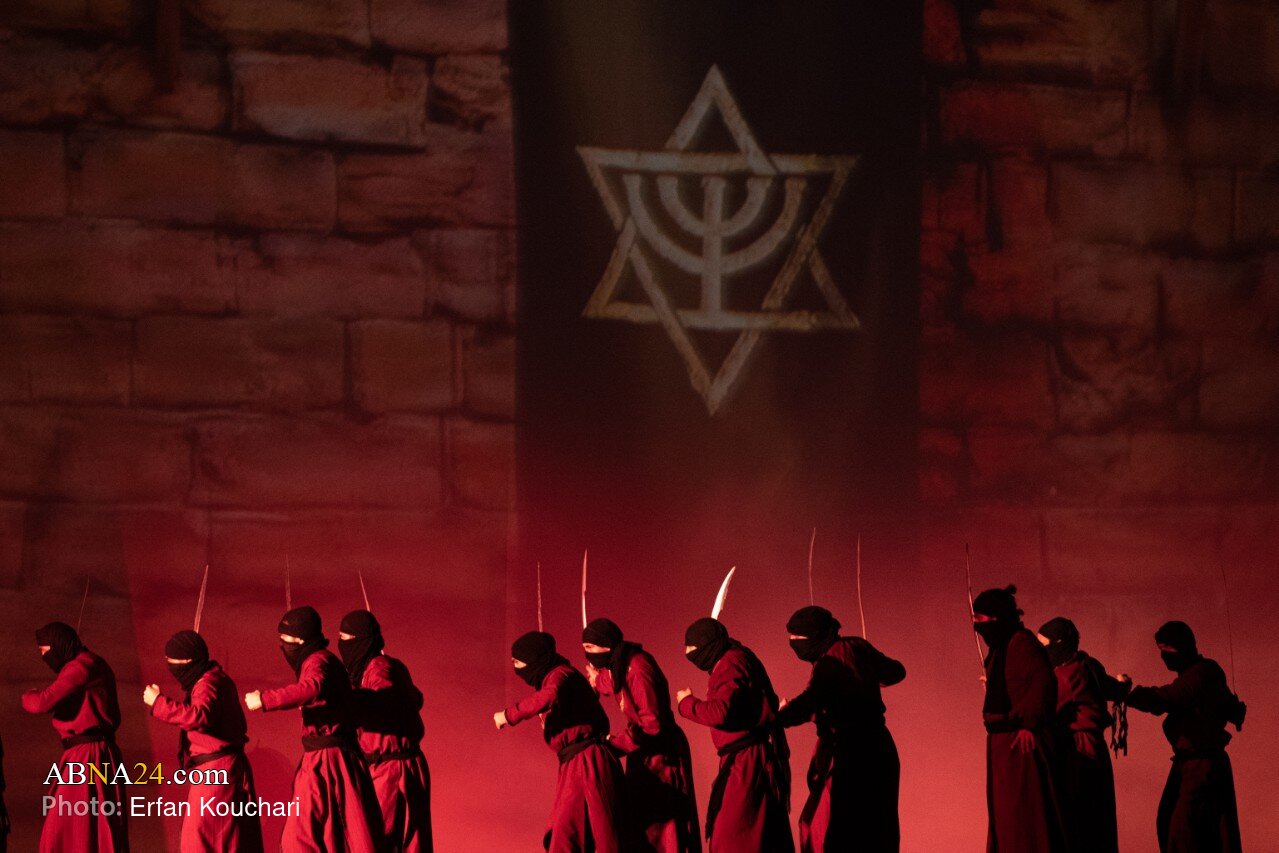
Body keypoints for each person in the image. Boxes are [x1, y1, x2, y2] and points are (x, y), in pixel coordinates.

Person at [244, 606, 381, 852]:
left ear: (300, 640)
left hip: (328, 760)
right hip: (327, 757)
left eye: (286, 639)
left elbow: (313, 687)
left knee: (305, 834)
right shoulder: (322, 660)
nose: (283, 645)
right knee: (330, 832)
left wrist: (265, 700)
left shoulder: (318, 661)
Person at [776, 606, 905, 853]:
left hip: (853, 753)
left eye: (797, 637)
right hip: (879, 748)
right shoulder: (855, 647)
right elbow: (895, 672)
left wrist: (777, 718)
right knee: (877, 829)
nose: (792, 642)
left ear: (815, 636)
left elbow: (812, 700)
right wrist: (865, 667)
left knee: (845, 831)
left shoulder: (832, 659)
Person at [494, 631, 623, 852]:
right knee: (570, 834)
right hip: (575, 764)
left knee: (584, 834)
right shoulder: (558, 677)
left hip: (586, 762)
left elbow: (549, 695)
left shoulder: (560, 675)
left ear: (533, 658)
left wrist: (508, 715)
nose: (515, 668)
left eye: (517, 661)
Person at [1126, 620, 1245, 853]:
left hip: (1201, 767)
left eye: (1168, 649)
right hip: (1194, 765)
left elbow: (1168, 698)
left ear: (1183, 646)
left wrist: (1128, 694)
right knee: (1175, 825)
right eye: (1161, 650)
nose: (1164, 656)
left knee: (1181, 831)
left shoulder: (1201, 674)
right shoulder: (1200, 673)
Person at [582, 617, 700, 851]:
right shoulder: (619, 664)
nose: (587, 654)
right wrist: (597, 680)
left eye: (590, 647)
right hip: (643, 752)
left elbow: (652, 724)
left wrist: (614, 744)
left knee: (664, 830)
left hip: (661, 754)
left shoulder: (638, 667)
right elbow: (612, 681)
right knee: (641, 827)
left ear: (606, 645)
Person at [676, 618, 792, 853]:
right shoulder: (735, 658)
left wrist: (686, 703)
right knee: (755, 835)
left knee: (733, 838)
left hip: (747, 762)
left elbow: (721, 711)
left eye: (693, 649)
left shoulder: (731, 663)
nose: (689, 655)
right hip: (747, 759)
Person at [143, 630, 264, 852]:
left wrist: (158, 702)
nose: (170, 667)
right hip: (217, 770)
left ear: (187, 661)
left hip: (217, 772)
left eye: (173, 661)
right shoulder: (212, 679)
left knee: (203, 841)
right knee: (216, 840)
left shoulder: (208, 683)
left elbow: (199, 716)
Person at [21, 621, 130, 852]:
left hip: (88, 758)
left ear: (59, 644)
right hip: (91, 756)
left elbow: (40, 703)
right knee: (85, 827)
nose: (44, 657)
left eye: (45, 650)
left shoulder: (81, 666)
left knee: (70, 828)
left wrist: (27, 695)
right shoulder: (92, 663)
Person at [972, 586, 1065, 853]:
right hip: (1002, 743)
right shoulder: (1001, 648)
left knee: (1023, 814)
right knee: (1006, 815)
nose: (976, 624)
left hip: (1019, 741)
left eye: (980, 618)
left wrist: (1028, 724)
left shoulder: (1021, 643)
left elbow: (1042, 684)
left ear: (996, 617)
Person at [338, 610, 433, 852]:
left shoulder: (378, 668)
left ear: (363, 641)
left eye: (347, 639)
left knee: (379, 839)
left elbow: (383, 698)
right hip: (407, 764)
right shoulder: (391, 666)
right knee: (412, 842)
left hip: (391, 768)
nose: (342, 645)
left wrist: (343, 700)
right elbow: (414, 698)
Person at [1035, 617, 1127, 853]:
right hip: (1096, 754)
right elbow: (1116, 688)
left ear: (1059, 644)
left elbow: (1038, 710)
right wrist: (1124, 683)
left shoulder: (1066, 676)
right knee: (1098, 824)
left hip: (1076, 757)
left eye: (1044, 646)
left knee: (1077, 826)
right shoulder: (1089, 665)